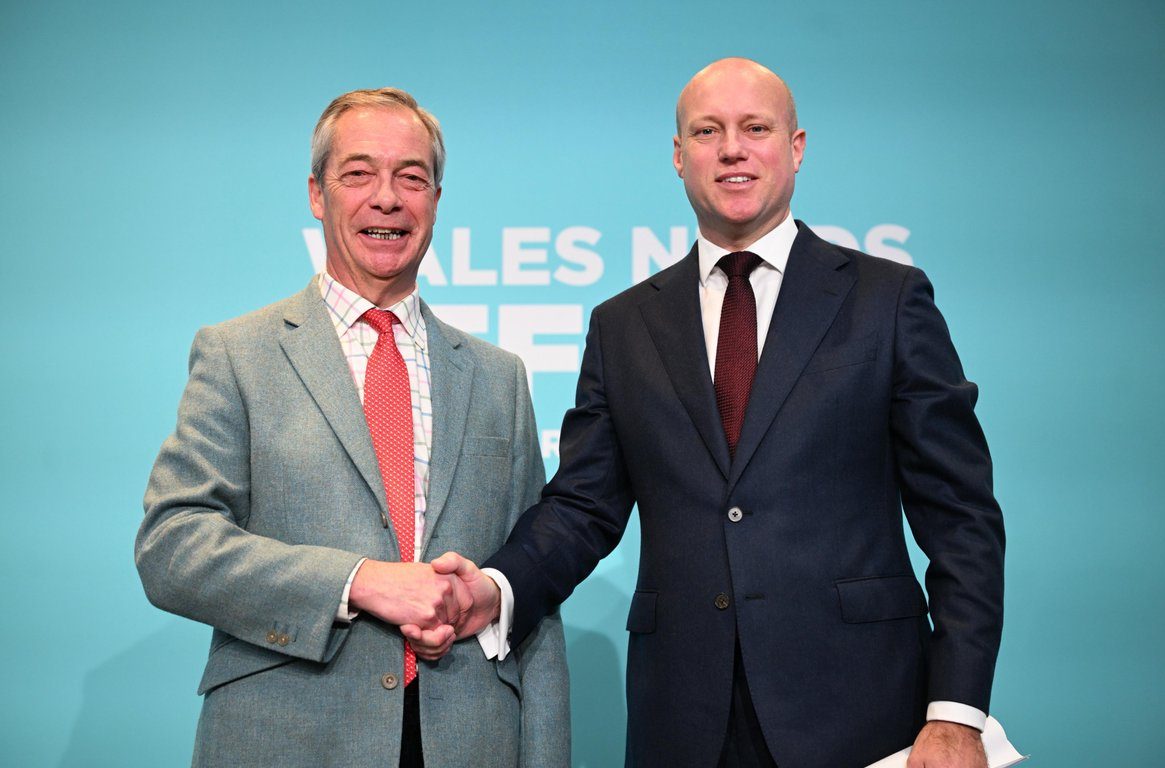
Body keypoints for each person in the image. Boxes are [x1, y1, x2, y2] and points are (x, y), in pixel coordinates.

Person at [435, 57, 1005, 767]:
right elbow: (583, 506)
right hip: (684, 717)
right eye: (708, 132)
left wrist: (956, 713)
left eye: (755, 128)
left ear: (796, 147)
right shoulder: (623, 326)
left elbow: (961, 516)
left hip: (862, 709)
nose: (732, 149)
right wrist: (497, 588)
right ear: (679, 156)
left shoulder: (887, 300)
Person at [135, 88, 568, 768]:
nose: (386, 199)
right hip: (287, 738)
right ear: (317, 194)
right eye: (359, 174)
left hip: (470, 740)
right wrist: (357, 580)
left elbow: (530, 588)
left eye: (411, 178)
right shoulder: (238, 354)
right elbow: (173, 545)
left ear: (435, 201)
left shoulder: (499, 377)